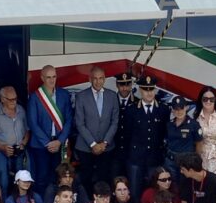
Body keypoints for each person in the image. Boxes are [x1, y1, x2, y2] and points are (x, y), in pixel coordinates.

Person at [27, 65, 73, 194]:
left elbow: (69, 119)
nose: (52, 80)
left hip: (59, 143)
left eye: (54, 77)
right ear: (42, 78)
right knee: (41, 177)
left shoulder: (64, 94)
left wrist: (60, 141)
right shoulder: (35, 97)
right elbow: (32, 123)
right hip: (41, 145)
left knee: (57, 176)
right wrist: (48, 143)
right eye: (48, 77)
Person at [75, 66, 119, 194]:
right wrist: (93, 144)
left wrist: (105, 143)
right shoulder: (81, 96)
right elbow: (79, 123)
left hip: (106, 148)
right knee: (86, 179)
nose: (98, 81)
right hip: (85, 147)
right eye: (95, 78)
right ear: (90, 79)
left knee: (104, 179)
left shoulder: (112, 96)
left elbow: (114, 122)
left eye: (101, 78)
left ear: (104, 79)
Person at [125, 76, 169, 203]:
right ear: (140, 90)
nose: (149, 93)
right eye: (145, 90)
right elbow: (127, 135)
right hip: (135, 158)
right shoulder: (131, 109)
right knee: (134, 192)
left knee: (154, 192)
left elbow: (165, 133)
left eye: (151, 89)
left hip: (155, 158)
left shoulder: (163, 109)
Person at [0, 86, 30, 198]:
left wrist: (23, 143)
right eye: (10, 99)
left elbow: (27, 131)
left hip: (18, 150)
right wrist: (2, 148)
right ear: (2, 99)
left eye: (15, 98)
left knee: (21, 180)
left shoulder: (21, 110)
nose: (14, 102)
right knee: (2, 181)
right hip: (0, 151)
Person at [165, 96, 203, 182]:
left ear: (186, 107)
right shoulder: (169, 124)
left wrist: (196, 160)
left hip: (186, 162)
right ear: (173, 110)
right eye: (176, 109)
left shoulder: (194, 124)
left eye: (181, 108)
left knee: (185, 186)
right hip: (171, 161)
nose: (179, 111)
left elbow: (199, 143)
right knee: (171, 185)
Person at [112, 72, 137, 179]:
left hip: (131, 152)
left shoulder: (137, 103)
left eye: (127, 85)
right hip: (113, 151)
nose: (125, 88)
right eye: (122, 85)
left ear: (131, 85)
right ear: (117, 85)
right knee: (113, 181)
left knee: (132, 183)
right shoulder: (110, 101)